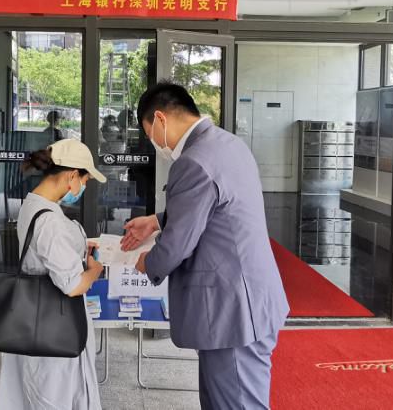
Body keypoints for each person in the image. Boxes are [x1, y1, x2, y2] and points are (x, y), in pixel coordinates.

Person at [122, 82, 290, 410]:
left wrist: (147, 262)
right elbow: (217, 208)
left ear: (160, 119)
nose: (154, 143)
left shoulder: (193, 162)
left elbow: (176, 246)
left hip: (232, 312)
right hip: (252, 298)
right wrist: (156, 220)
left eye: (149, 133)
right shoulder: (228, 144)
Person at [0, 139, 107, 410]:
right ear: (72, 176)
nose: (83, 188)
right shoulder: (50, 221)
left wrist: (77, 245)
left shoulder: (33, 204)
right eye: (85, 180)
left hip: (35, 321)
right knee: (55, 397)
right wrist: (94, 271)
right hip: (54, 328)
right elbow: (72, 285)